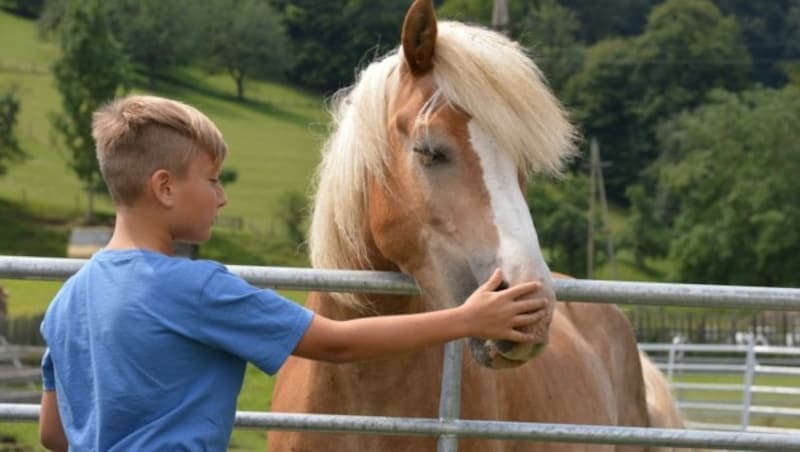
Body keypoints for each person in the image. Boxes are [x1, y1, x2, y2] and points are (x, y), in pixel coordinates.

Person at [38, 94, 547, 451]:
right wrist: (468, 319)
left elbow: (53, 434)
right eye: (212, 181)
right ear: (165, 188)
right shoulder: (198, 288)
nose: (222, 196)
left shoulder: (67, 300)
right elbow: (335, 344)